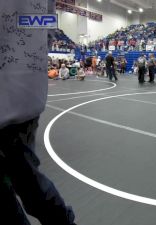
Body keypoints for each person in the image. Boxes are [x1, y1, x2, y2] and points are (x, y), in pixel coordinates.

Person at [0, 1, 76, 224]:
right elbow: (48, 27)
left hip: (14, 91)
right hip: (25, 89)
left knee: (25, 180)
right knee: (27, 179)